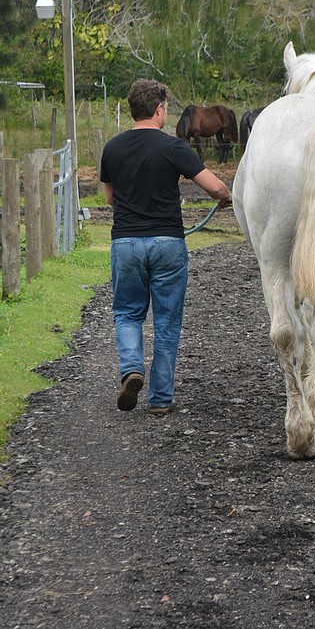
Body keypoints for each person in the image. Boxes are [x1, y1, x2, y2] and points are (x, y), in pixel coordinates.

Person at [100, 78, 232, 417]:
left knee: (128, 312)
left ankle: (131, 368)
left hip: (126, 242)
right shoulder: (174, 148)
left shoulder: (112, 148)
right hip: (168, 244)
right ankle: (160, 399)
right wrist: (226, 198)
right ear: (159, 109)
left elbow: (111, 198)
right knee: (167, 320)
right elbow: (214, 187)